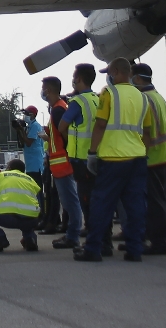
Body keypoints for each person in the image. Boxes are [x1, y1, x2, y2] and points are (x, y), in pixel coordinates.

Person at [75, 58, 153, 263]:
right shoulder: (142, 97)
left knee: (101, 205)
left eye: (109, 72)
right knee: (135, 205)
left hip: (113, 157)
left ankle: (93, 249)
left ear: (116, 71)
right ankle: (135, 250)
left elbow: (100, 125)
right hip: (137, 157)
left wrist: (92, 153)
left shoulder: (109, 93)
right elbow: (147, 131)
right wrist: (143, 151)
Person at [131, 62, 166, 255]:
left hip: (152, 155)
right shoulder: (157, 96)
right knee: (163, 199)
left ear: (138, 78)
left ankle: (161, 242)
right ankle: (165, 234)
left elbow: (146, 131)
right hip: (164, 152)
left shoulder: (144, 98)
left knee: (155, 201)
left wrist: (141, 155)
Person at [40, 76, 84, 250]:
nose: (42, 91)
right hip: (60, 163)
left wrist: (66, 151)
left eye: (43, 88)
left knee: (70, 202)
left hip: (62, 163)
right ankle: (71, 234)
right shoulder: (58, 108)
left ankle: (73, 236)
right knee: (69, 202)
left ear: (48, 90)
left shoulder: (58, 110)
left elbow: (64, 134)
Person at [58, 63, 100, 240]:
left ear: (79, 79)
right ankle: (99, 230)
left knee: (85, 197)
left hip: (81, 157)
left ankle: (91, 230)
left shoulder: (77, 102)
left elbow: (62, 126)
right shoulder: (97, 99)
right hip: (97, 155)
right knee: (98, 197)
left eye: (74, 77)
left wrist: (72, 138)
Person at [0, 159, 43, 252]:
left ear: (8, 168)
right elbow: (38, 204)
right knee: (28, 210)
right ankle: (30, 238)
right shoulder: (30, 180)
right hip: (31, 220)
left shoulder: (1, 176)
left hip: (8, 219)